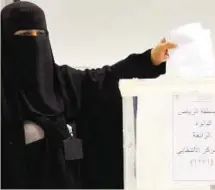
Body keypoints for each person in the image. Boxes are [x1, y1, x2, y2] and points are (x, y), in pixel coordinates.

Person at [1, 1, 177, 189]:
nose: (34, 41)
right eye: (25, 35)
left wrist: (150, 59)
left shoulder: (63, 81)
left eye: (40, 34)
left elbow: (108, 77)